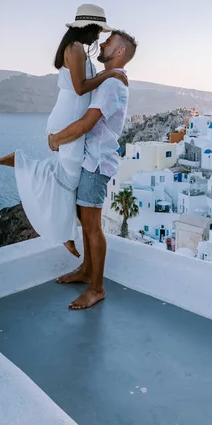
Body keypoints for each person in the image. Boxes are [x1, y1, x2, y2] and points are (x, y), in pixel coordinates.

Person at [0, 4, 127, 257]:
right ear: (87, 27)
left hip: (70, 116)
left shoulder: (77, 49)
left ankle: (62, 228)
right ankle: (63, 231)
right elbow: (80, 87)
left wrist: (110, 77)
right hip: (68, 118)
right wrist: (111, 75)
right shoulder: (74, 48)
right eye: (97, 30)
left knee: (66, 178)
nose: (98, 36)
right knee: (68, 179)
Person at [48, 29, 137, 310]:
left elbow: (87, 123)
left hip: (97, 162)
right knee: (86, 224)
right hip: (90, 160)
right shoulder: (108, 81)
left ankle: (96, 288)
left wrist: (56, 138)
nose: (103, 43)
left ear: (120, 52)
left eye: (109, 42)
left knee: (92, 226)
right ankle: (87, 270)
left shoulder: (112, 86)